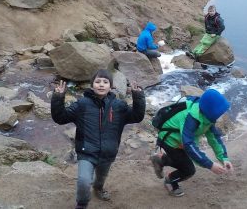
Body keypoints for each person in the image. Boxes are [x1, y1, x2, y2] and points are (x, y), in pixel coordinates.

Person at [51, 69, 146, 209]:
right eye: (98, 81)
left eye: (105, 82)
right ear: (91, 85)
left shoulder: (119, 106)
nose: (101, 85)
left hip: (108, 153)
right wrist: (58, 97)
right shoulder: (82, 104)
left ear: (111, 86)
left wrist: (138, 96)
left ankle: (98, 188)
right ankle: (82, 204)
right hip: (86, 152)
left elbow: (137, 116)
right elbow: (60, 118)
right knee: (84, 181)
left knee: (100, 178)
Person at [150, 89, 233, 197]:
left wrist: (224, 159)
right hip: (170, 140)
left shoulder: (207, 117)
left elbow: (214, 138)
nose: (220, 115)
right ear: (211, 110)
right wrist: (210, 165)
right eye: (219, 112)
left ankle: (160, 160)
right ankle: (170, 181)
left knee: (185, 160)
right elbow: (188, 145)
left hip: (180, 139)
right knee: (188, 170)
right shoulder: (191, 118)